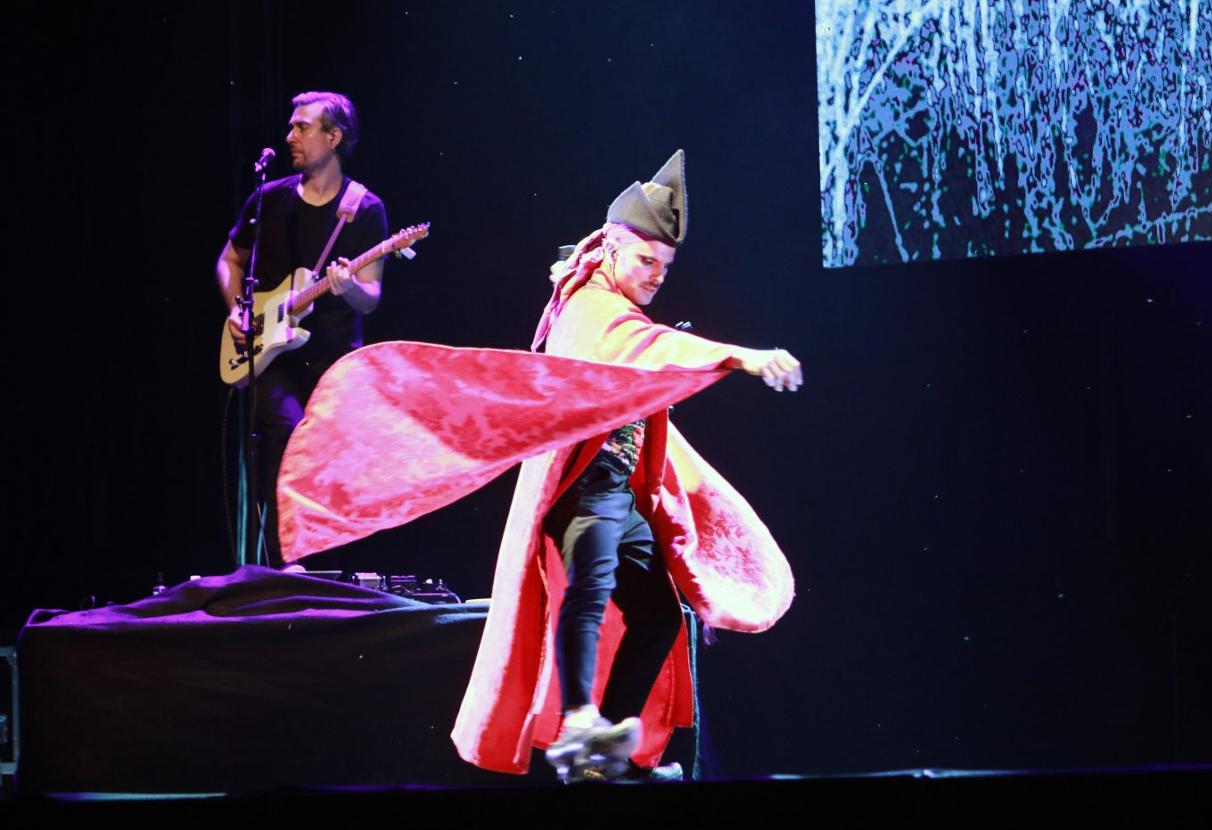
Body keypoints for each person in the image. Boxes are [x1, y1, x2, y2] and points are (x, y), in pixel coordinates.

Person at [460, 150, 802, 782]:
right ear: (613, 250)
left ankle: (603, 751)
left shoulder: (611, 307)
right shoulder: (592, 307)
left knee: (658, 615)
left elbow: (644, 364)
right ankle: (581, 722)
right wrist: (742, 357)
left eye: (664, 268)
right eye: (646, 261)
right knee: (588, 589)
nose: (655, 277)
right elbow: (650, 346)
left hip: (614, 490)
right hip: (580, 488)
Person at [215, 90, 388, 566]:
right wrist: (237, 308)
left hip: (333, 360)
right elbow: (230, 258)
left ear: (333, 138)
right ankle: (284, 566)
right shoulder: (268, 200)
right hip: (274, 356)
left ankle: (321, 568)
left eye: (303, 127)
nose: (290, 136)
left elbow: (370, 298)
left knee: (328, 461)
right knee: (283, 435)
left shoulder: (364, 208)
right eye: (292, 126)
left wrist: (346, 286)